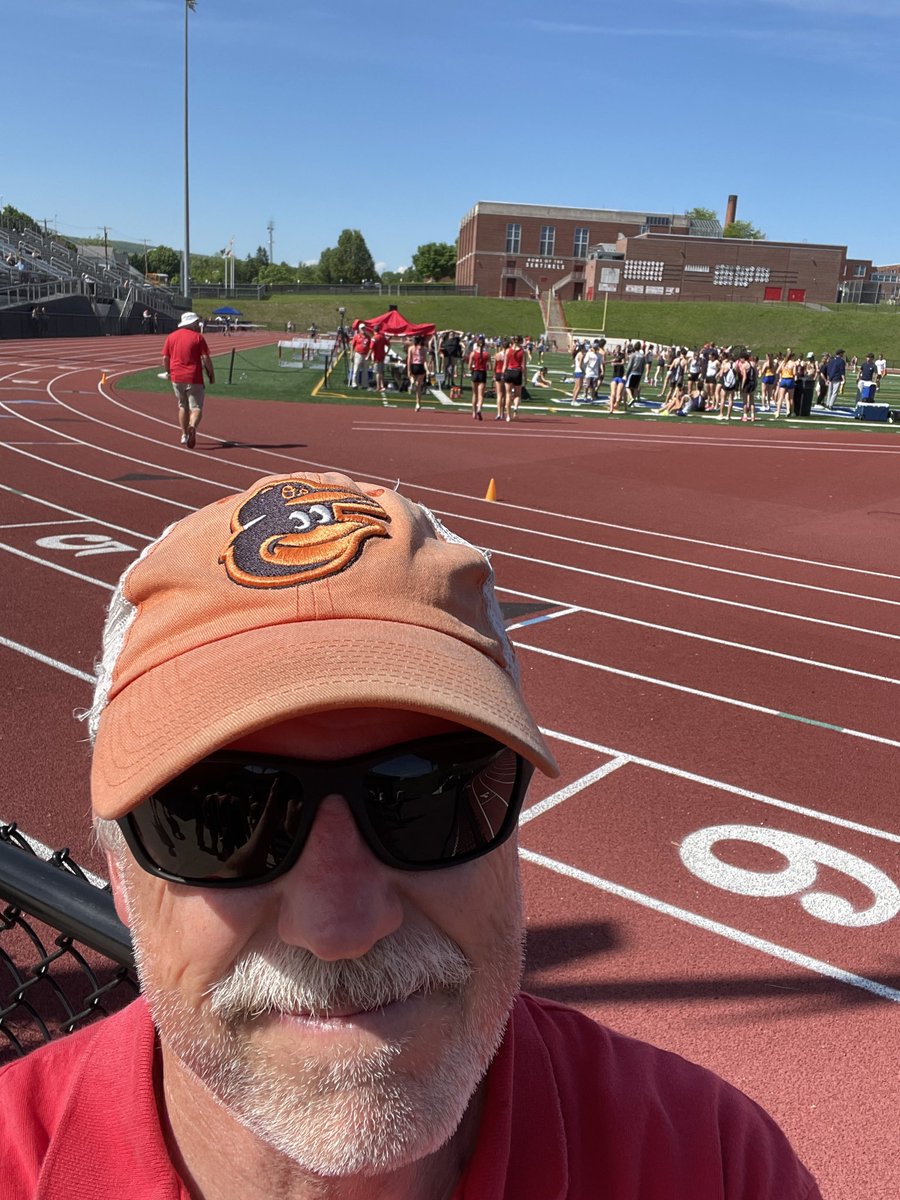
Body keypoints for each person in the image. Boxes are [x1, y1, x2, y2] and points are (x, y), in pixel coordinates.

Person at [0, 469, 824, 1200]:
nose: (340, 926)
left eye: (431, 796)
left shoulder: (717, 1167)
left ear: (513, 834)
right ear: (117, 863)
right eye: (222, 818)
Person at [160, 311, 215, 448]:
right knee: (196, 407)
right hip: (194, 377)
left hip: (177, 377)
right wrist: (211, 375)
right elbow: (206, 359)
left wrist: (168, 372)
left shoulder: (171, 337)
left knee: (182, 406)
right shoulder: (198, 338)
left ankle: (184, 434)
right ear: (191, 323)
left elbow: (165, 358)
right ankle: (192, 426)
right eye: (196, 322)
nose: (198, 324)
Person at [467, 334, 490, 419]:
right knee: (481, 395)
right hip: (482, 373)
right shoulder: (487, 354)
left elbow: (469, 366)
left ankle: (473, 412)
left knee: (474, 394)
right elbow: (489, 367)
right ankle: (479, 408)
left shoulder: (473, 353)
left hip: (475, 373)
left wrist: (473, 366)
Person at [406, 334, 428, 411]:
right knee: (419, 387)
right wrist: (427, 370)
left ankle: (412, 381)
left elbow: (409, 360)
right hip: (421, 367)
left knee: (412, 377)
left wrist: (408, 370)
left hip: (413, 366)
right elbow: (425, 361)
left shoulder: (411, 348)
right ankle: (418, 403)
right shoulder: (424, 349)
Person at [368, 323, 389, 397]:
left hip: (376, 357)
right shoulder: (382, 337)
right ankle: (382, 385)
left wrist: (368, 356)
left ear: (374, 330)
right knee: (381, 371)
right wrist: (387, 352)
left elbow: (371, 348)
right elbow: (389, 344)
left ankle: (378, 386)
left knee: (377, 372)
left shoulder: (374, 338)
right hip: (382, 356)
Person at [350, 323, 371, 389]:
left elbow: (370, 347)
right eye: (362, 328)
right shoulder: (356, 336)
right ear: (359, 329)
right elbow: (352, 345)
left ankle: (364, 384)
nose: (363, 329)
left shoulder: (368, 337)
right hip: (358, 354)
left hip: (365, 354)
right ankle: (354, 384)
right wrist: (351, 354)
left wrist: (369, 355)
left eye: (364, 328)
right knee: (356, 369)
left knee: (365, 370)